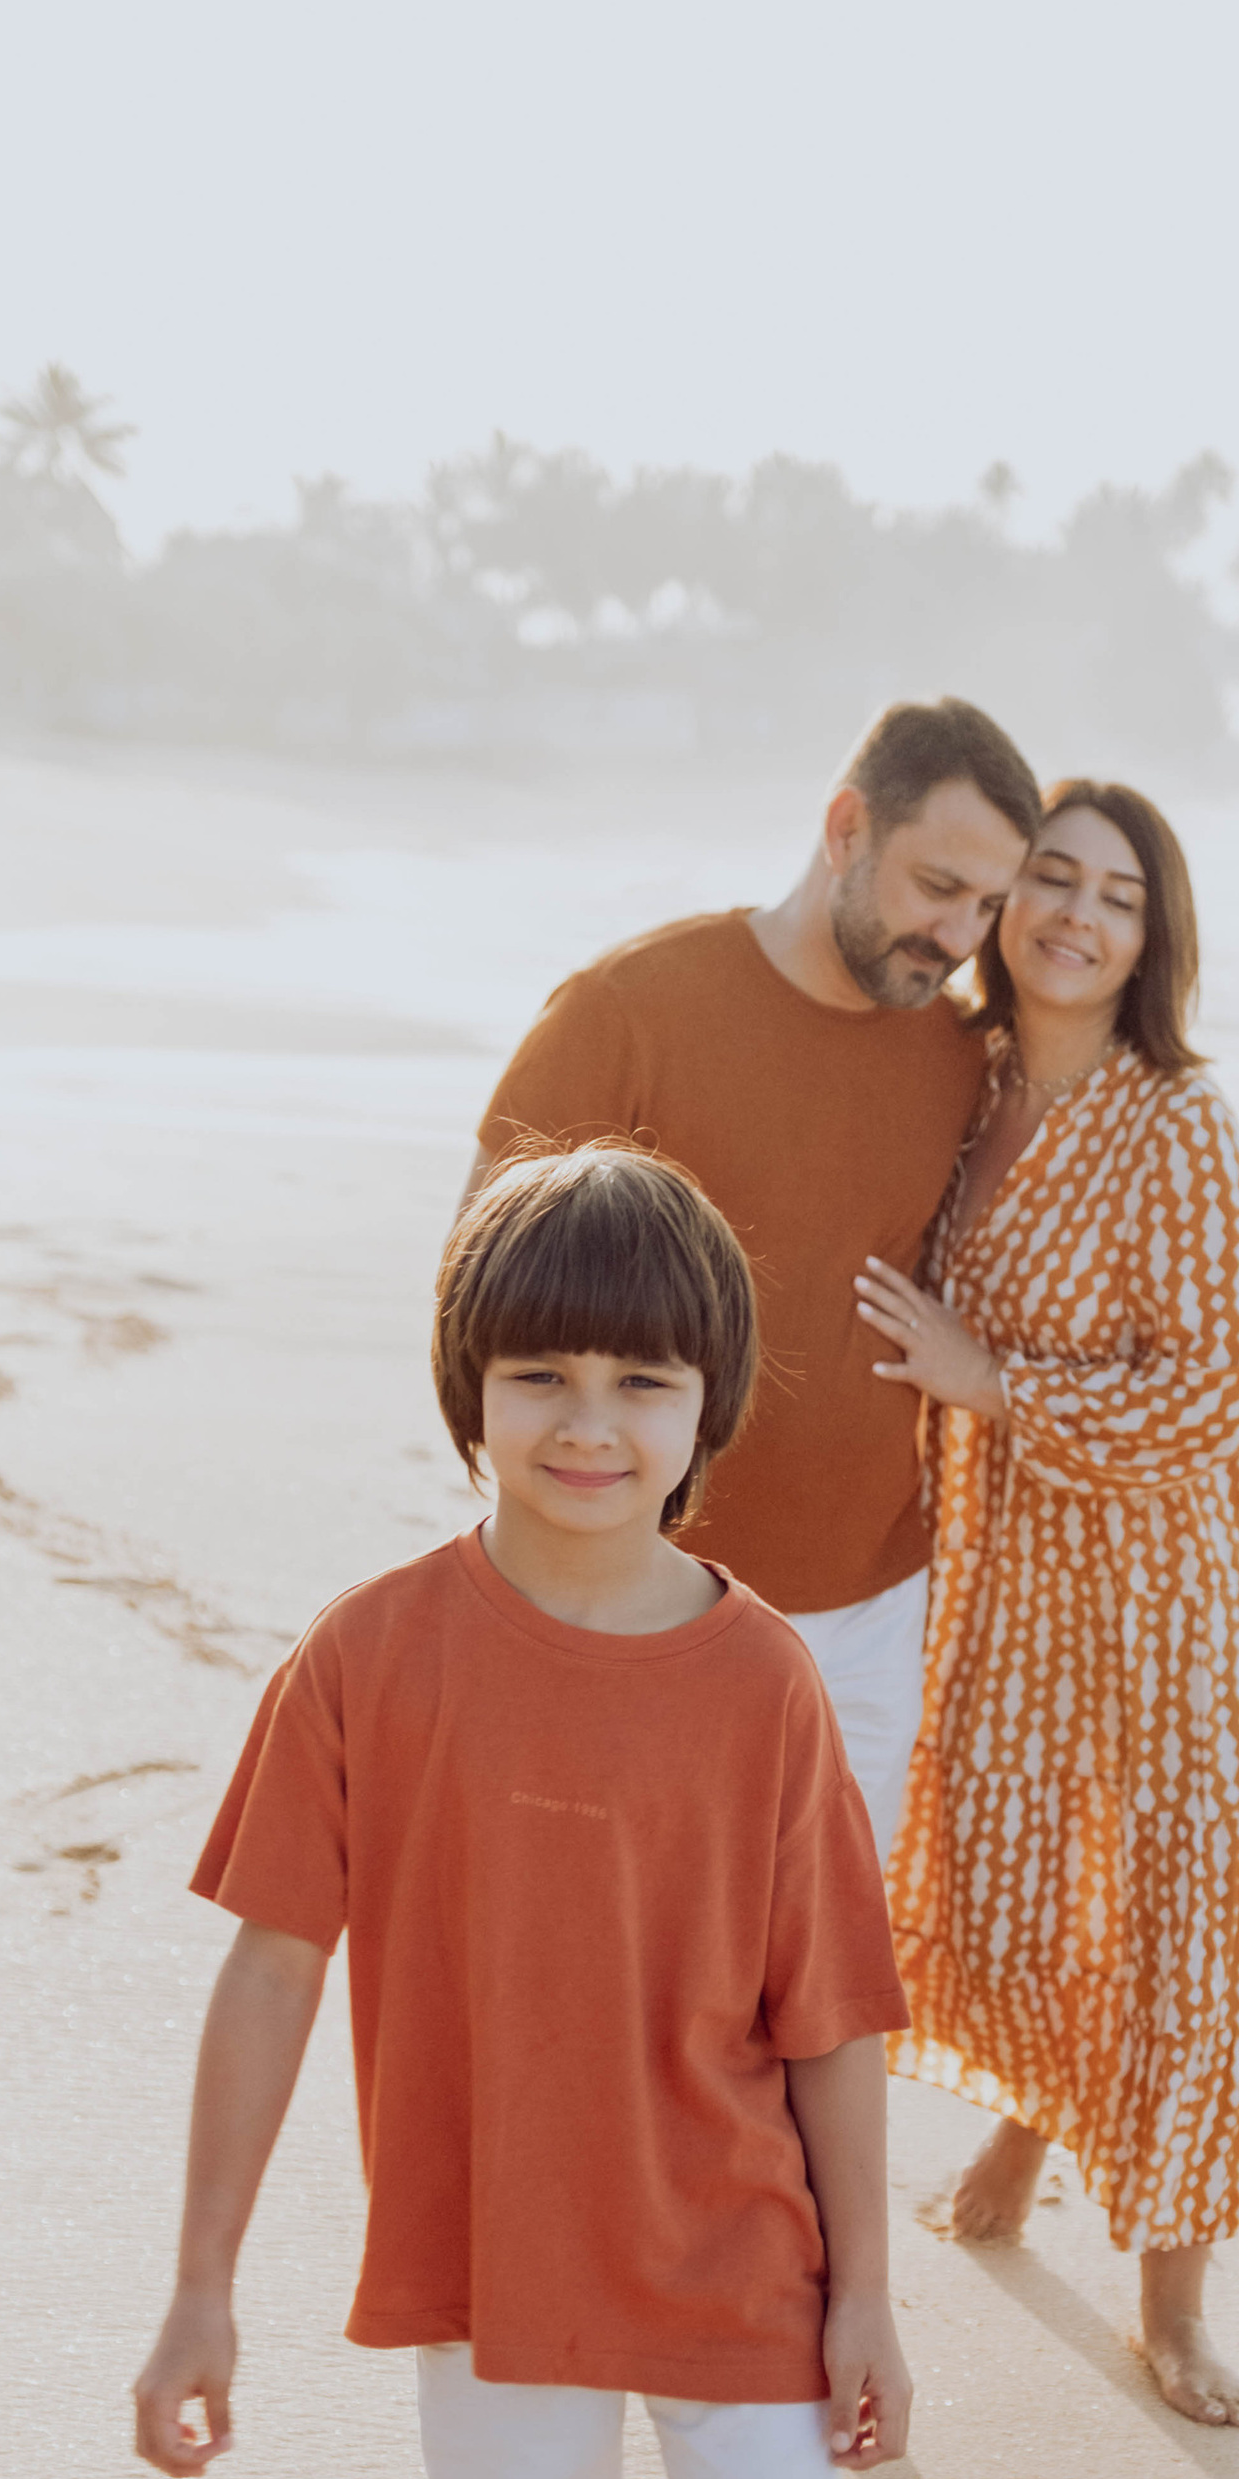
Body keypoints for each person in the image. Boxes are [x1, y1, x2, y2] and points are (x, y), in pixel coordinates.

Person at [132, 1146, 915, 2479]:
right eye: (540, 1376)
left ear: (707, 1409)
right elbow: (270, 1972)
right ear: (465, 1388)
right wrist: (201, 2288)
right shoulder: (369, 1652)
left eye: (642, 1382)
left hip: (737, 2252)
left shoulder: (763, 1683)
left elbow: (830, 2022)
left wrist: (868, 2298)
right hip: (485, 2263)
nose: (589, 1424)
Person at [855, 784, 1239, 2428]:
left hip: (1174, 1584)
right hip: (1018, 1573)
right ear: (1006, 901)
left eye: (1119, 896)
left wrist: (993, 1383)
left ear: (1150, 938)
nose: (1079, 916)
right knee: (1031, 1879)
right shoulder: (959, 1084)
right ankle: (1024, 2134)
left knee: (1177, 1920)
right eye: (1054, 878)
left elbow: (1217, 1386)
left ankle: (1173, 2309)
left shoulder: (1174, 1120)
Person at [467, 696, 1041, 1860]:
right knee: (628, 1943)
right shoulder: (628, 1010)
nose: (958, 936)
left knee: (825, 1962)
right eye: (937, 887)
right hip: (647, 1600)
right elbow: (477, 1302)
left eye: (988, 907)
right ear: (845, 828)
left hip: (873, 1610)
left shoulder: (957, 1056)